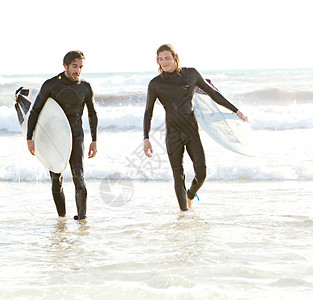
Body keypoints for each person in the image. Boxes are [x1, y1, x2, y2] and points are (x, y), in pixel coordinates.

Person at [143, 44, 248, 211]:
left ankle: (190, 195)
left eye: (167, 58)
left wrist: (236, 110)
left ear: (175, 58)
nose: (164, 62)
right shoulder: (155, 84)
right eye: (160, 59)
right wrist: (146, 138)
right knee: (178, 177)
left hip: (191, 131)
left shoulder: (191, 74)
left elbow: (213, 94)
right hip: (173, 134)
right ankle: (184, 216)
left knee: (202, 173)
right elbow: (148, 111)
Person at [27, 50, 98, 220]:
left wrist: (94, 140)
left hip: (76, 136)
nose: (78, 71)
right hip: (55, 137)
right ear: (65, 65)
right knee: (56, 179)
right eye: (75, 66)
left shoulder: (85, 87)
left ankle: (82, 219)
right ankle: (62, 218)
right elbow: (35, 111)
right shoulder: (51, 85)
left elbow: (92, 114)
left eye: (81, 67)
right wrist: (29, 137)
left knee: (79, 178)